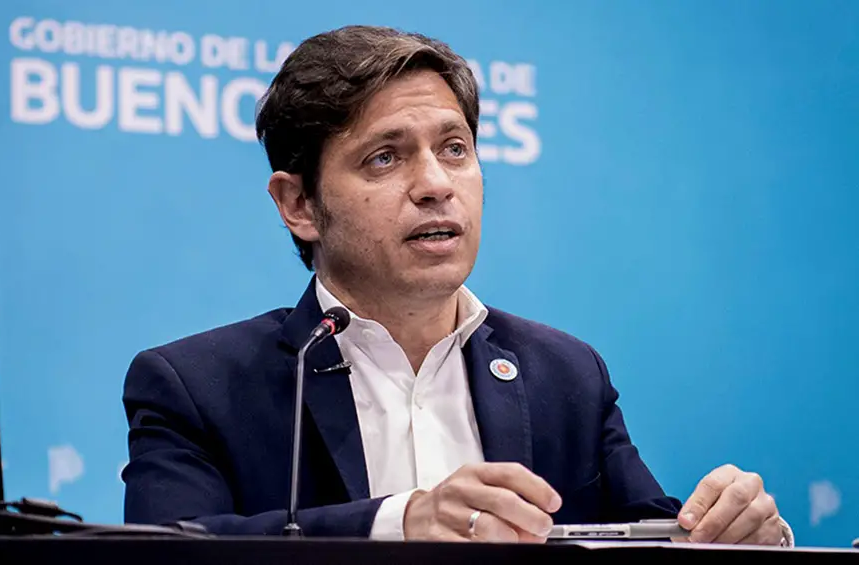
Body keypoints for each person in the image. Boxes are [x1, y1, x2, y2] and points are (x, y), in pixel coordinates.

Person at [121, 24, 792, 545]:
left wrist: (743, 535)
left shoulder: (564, 376)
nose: (436, 184)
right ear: (299, 204)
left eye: (454, 149)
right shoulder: (197, 387)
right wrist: (399, 522)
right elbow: (165, 552)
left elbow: (661, 539)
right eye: (385, 157)